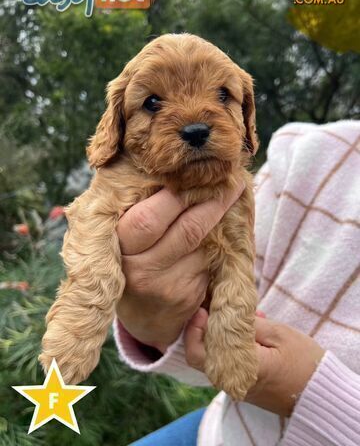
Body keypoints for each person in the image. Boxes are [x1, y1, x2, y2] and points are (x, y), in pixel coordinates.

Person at [114, 121, 360, 445]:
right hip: (220, 427)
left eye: (221, 94)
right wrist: (158, 325)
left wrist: (316, 398)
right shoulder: (307, 151)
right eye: (154, 105)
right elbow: (205, 339)